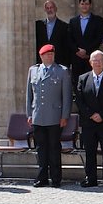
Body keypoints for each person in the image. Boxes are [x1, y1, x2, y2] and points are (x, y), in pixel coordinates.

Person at [26, 44, 72, 188]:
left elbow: (66, 96)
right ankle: (42, 177)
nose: (49, 56)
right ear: (41, 56)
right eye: (47, 54)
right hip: (38, 115)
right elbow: (29, 94)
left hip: (54, 115)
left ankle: (56, 178)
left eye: (51, 54)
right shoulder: (33, 71)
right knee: (41, 148)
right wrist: (29, 113)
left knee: (54, 147)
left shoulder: (62, 71)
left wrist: (64, 115)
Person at [76, 51, 103, 188]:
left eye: (101, 60)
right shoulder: (83, 78)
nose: (98, 63)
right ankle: (91, 178)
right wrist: (91, 114)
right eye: (95, 60)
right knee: (90, 152)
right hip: (88, 123)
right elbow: (79, 100)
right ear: (90, 62)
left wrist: (102, 114)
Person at [67, 0, 103, 89]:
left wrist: (87, 52)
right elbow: (69, 38)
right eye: (82, 4)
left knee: (91, 83)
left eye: (87, 4)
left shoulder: (98, 20)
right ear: (79, 5)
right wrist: (77, 50)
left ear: (90, 5)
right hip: (77, 58)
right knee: (77, 84)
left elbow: (99, 38)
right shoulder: (73, 21)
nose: (84, 6)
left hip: (91, 58)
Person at [35, 1, 71, 67]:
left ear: (56, 9)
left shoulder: (64, 26)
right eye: (47, 8)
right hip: (42, 62)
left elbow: (66, 47)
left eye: (51, 7)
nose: (49, 10)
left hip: (58, 63)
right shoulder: (38, 25)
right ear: (45, 10)